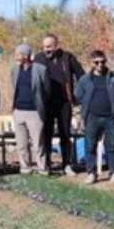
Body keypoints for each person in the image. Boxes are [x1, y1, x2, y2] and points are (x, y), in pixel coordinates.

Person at [73, 49, 114, 184]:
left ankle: (113, 172)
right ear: (91, 63)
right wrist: (86, 106)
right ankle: (91, 173)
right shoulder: (85, 80)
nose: (100, 65)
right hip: (92, 117)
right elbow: (78, 95)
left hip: (110, 117)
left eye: (102, 62)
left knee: (111, 146)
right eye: (96, 62)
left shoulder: (113, 77)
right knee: (89, 146)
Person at [35, 34, 85, 174]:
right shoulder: (39, 59)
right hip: (46, 103)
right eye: (44, 47)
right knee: (46, 134)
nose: (46, 50)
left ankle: (67, 164)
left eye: (49, 47)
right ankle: (47, 164)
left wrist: (78, 97)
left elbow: (82, 75)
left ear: (57, 46)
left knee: (65, 133)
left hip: (64, 102)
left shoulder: (67, 57)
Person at [11, 43, 51, 175]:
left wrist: (42, 108)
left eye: (18, 54)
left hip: (35, 112)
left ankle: (42, 168)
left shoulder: (40, 69)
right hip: (18, 111)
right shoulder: (15, 70)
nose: (16, 56)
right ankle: (25, 168)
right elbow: (14, 88)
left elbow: (47, 91)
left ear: (26, 55)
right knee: (22, 144)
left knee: (38, 143)